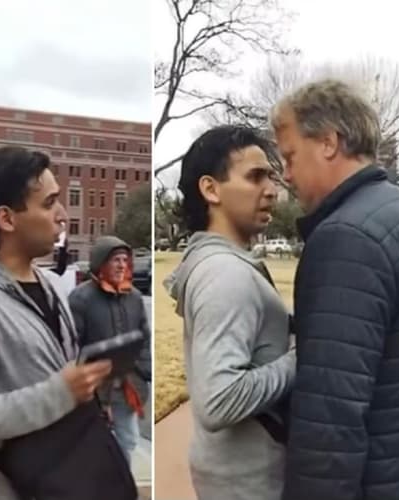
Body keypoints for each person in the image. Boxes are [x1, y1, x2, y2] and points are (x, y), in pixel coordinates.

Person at [0, 146, 128, 499]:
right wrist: (59, 393)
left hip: (65, 479)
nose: (62, 215)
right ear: (6, 218)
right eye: (48, 203)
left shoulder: (48, 284)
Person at [272, 79, 399, 500]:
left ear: (328, 143)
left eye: (289, 156)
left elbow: (330, 416)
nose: (286, 175)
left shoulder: (346, 238)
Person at [163, 125, 295, 500]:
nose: (271, 189)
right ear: (211, 189)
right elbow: (218, 401)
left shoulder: (224, 264)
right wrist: (304, 359)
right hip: (247, 484)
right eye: (255, 177)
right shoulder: (225, 274)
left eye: (270, 176)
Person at [68, 235, 151, 465]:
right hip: (94, 390)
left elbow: (144, 337)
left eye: (125, 260)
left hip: (128, 386)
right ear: (101, 263)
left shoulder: (134, 297)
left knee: (128, 441)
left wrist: (145, 370)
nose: (122, 265)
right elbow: (72, 345)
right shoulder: (81, 298)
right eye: (116, 259)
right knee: (94, 444)